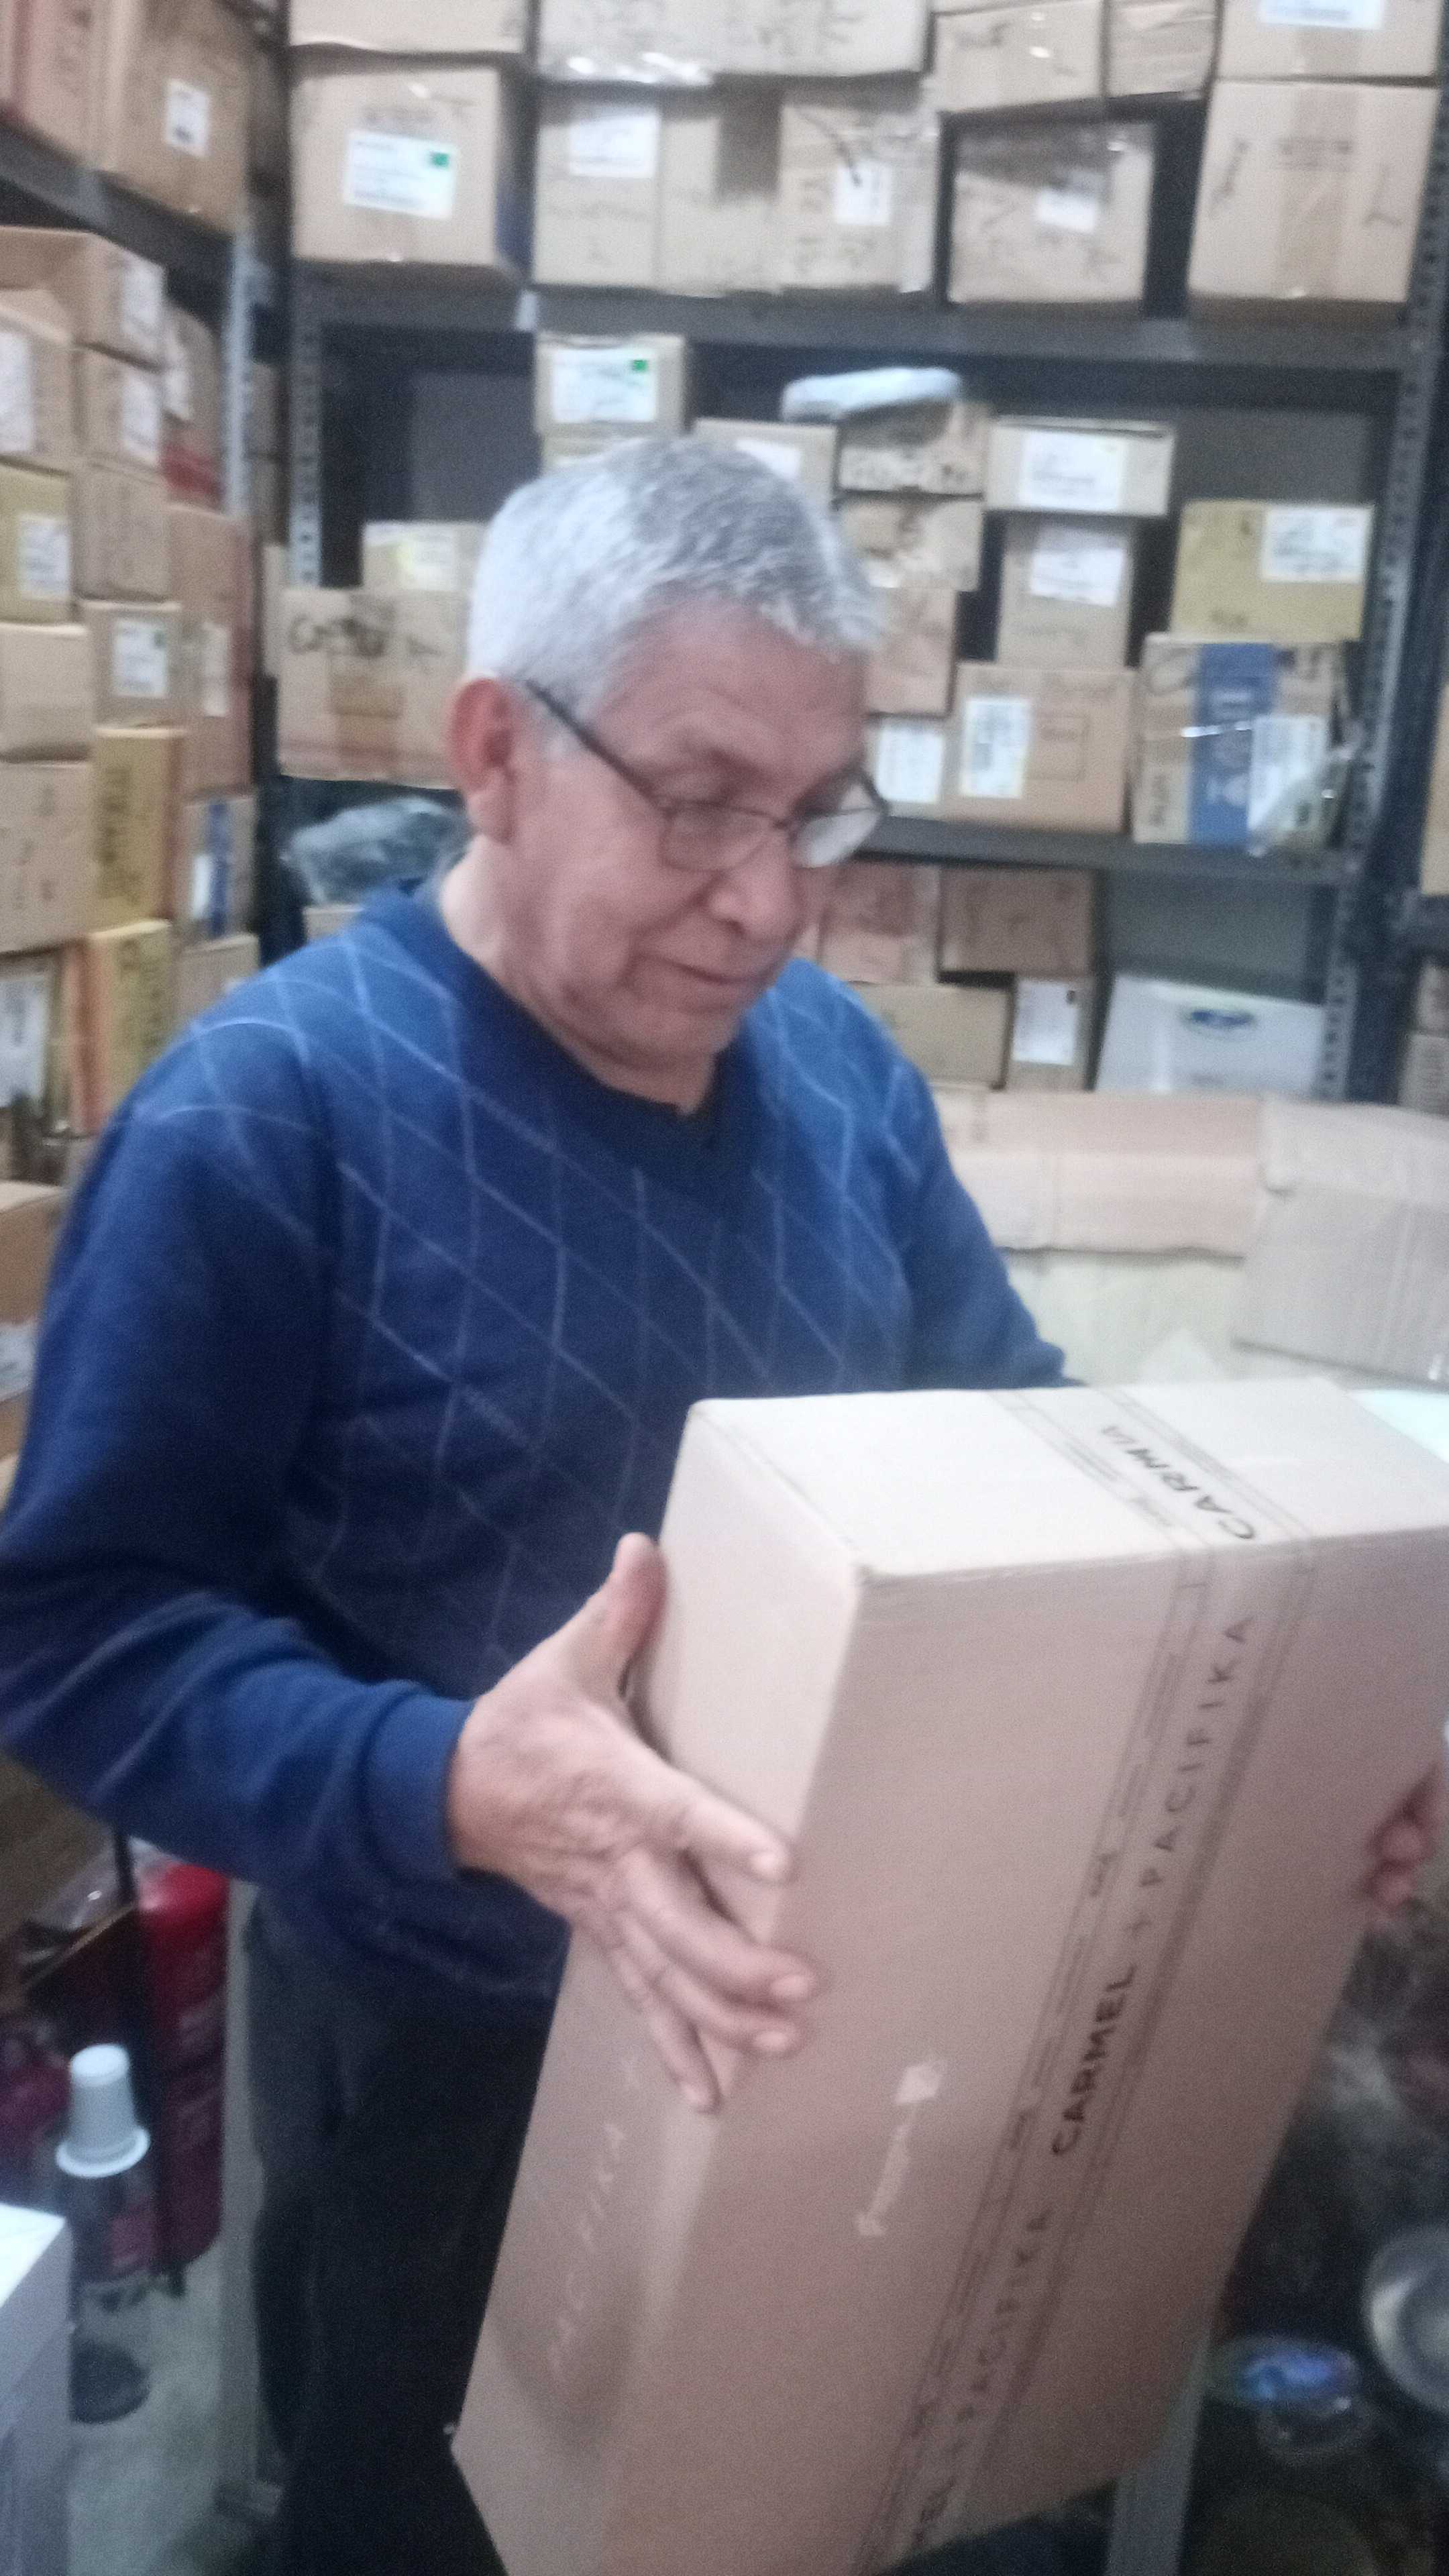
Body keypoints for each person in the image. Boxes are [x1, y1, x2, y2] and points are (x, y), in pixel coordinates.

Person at [0, 441, 1437, 2575]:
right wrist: (453, 1779)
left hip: (850, 2024)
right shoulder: (270, 1119)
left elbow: (1020, 1448)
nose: (767, 899)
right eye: (697, 803)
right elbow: (78, 1631)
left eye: (815, 813)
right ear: (498, 751)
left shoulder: (836, 1078)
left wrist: (1299, 1746)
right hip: (464, 2076)